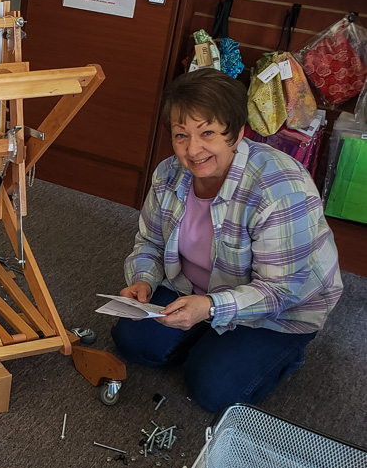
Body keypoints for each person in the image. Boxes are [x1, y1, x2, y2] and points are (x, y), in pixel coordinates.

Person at [111, 69, 343, 413]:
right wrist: (143, 280)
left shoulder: (280, 188)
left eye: (207, 133)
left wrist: (210, 309)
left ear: (236, 133)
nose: (193, 150)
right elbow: (149, 242)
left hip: (278, 309)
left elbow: (280, 291)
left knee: (213, 389)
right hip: (194, 287)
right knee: (131, 342)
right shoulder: (168, 173)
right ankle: (208, 336)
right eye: (180, 136)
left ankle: (283, 354)